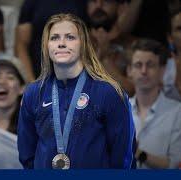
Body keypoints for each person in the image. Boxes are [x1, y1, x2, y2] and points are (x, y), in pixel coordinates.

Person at [17, 13, 135, 169]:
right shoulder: (33, 94)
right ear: (46, 45)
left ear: (84, 44)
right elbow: (27, 155)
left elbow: (123, 157)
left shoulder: (108, 93)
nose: (61, 43)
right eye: (54, 38)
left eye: (70, 37)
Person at [127, 39, 181, 169]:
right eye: (138, 65)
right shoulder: (118, 110)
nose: (144, 71)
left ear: (162, 70)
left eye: (150, 65)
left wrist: (139, 153)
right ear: (129, 71)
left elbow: (180, 166)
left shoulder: (180, 113)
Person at [15, 0, 87, 80]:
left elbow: (89, 40)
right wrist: (30, 82)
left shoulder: (81, 3)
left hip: (78, 75)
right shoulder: (32, 2)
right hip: (39, 73)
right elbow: (21, 45)